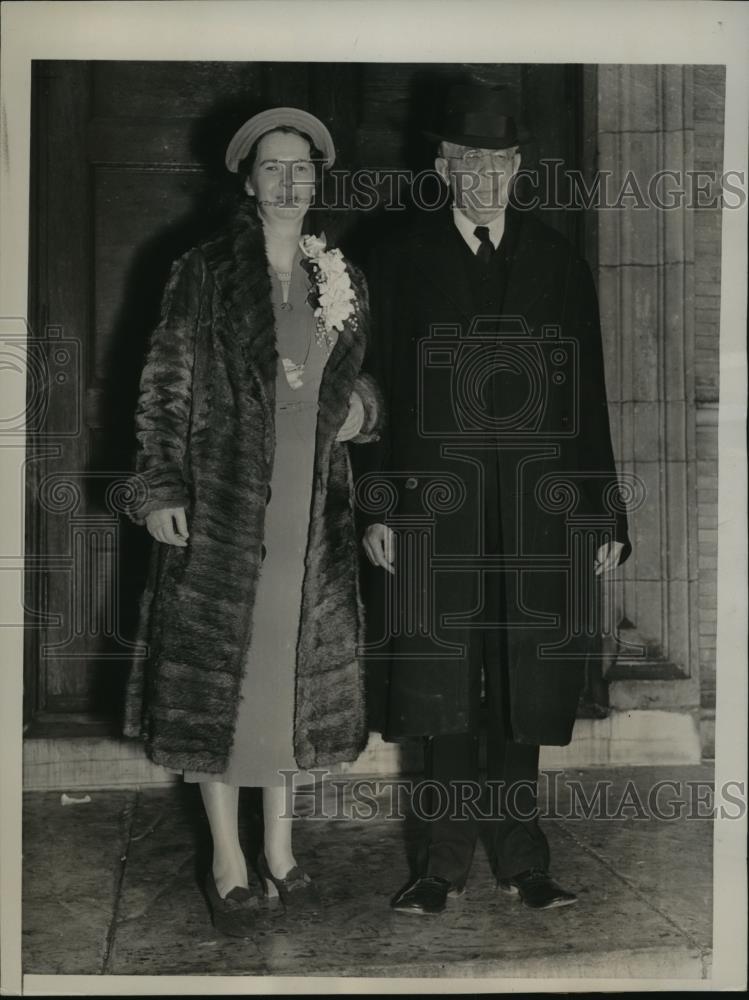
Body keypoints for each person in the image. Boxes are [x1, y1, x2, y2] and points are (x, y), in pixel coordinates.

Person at [360, 82, 632, 914]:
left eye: (499, 162)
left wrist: (602, 511)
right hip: (435, 509)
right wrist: (378, 506)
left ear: (518, 169)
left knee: (523, 683)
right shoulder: (397, 258)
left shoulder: (556, 259)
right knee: (440, 684)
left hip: (536, 509)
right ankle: (438, 867)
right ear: (443, 169)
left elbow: (585, 392)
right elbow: (371, 396)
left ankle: (524, 861)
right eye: (467, 162)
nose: (484, 177)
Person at [123, 106, 382, 936]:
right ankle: (225, 857)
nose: (288, 181)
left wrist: (364, 413)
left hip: (312, 513)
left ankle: (279, 846)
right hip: (227, 510)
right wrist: (162, 489)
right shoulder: (199, 272)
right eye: (272, 167)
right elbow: (164, 387)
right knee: (217, 684)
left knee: (288, 678)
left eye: (300, 167)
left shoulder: (340, 277)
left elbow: (364, 388)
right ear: (246, 180)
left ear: (316, 178)